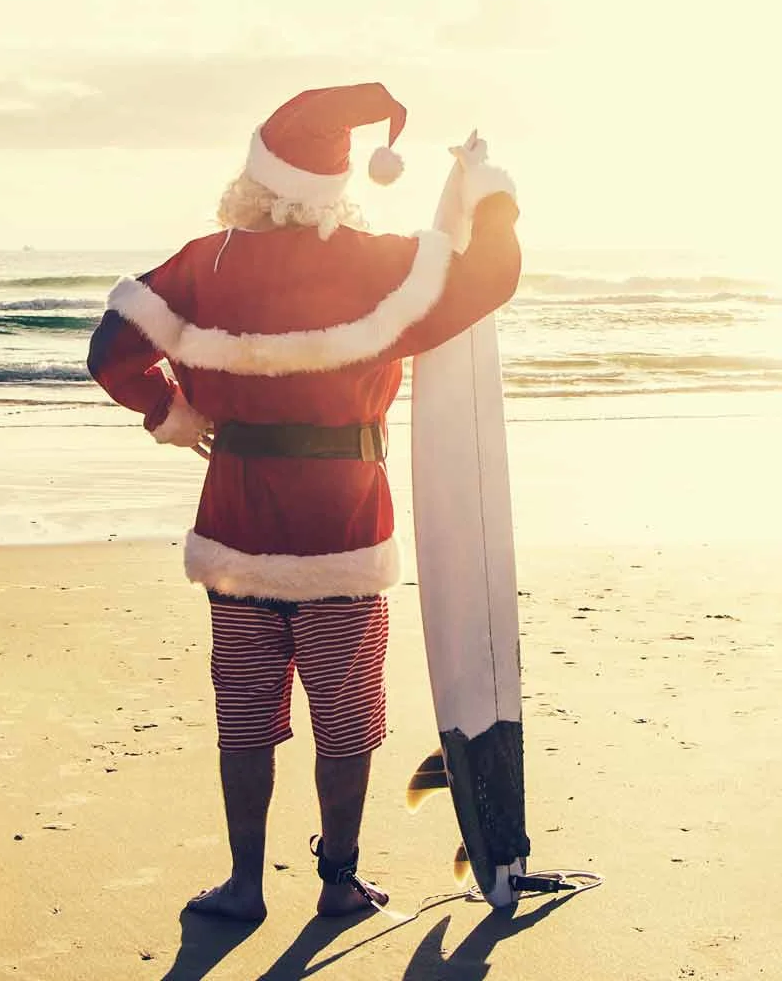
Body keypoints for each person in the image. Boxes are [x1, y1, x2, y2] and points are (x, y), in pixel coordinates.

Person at [86, 83, 521, 921]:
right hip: (345, 533)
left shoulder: (200, 263)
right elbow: (492, 275)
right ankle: (339, 882)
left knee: (244, 717)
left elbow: (111, 348)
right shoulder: (378, 263)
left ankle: (245, 886)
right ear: (336, 186)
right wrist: (488, 185)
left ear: (250, 180)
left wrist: (172, 411)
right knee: (346, 720)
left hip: (235, 533)